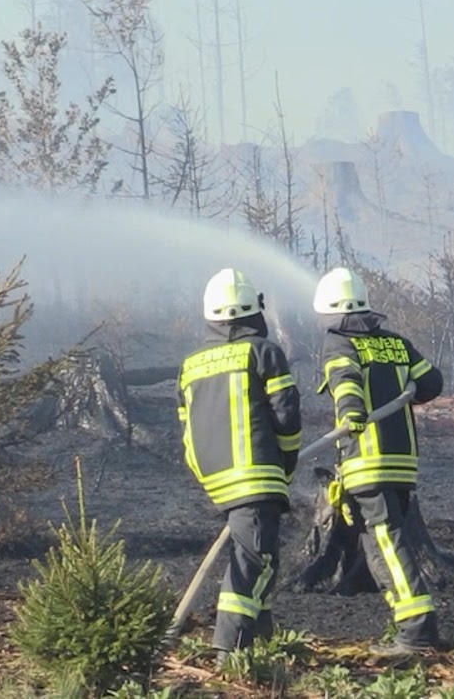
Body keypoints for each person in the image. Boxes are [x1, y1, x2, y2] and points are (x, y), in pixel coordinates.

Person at [313, 266, 446, 656]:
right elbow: (432, 383)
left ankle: (418, 633)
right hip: (402, 462)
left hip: (367, 461)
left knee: (388, 545)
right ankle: (408, 625)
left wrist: (352, 412)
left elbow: (345, 381)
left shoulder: (339, 345)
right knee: (380, 544)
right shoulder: (396, 344)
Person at [178, 268, 302, 658]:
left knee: (261, 553)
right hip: (257, 472)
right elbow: (286, 415)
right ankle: (229, 647)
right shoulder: (263, 352)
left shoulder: (192, 364)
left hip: (216, 477)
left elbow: (186, 426)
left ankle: (260, 639)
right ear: (253, 310)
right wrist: (286, 463)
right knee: (255, 558)